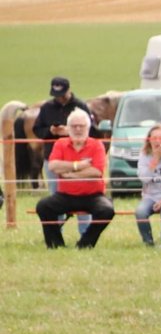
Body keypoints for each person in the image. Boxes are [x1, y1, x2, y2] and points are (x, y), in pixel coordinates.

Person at [35, 110, 115, 249]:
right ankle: (56, 245)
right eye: (74, 126)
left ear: (88, 128)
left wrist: (71, 174)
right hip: (66, 195)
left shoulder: (96, 145)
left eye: (81, 126)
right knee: (43, 206)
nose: (78, 129)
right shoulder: (60, 143)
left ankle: (85, 244)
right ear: (68, 128)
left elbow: (96, 171)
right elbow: (53, 166)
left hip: (93, 196)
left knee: (107, 210)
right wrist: (78, 165)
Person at [33, 76, 96, 236]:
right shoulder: (47, 107)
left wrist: (71, 132)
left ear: (68, 90)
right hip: (53, 158)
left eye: (61, 94)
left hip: (78, 156)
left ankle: (85, 234)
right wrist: (51, 132)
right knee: (56, 196)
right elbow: (37, 129)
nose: (58, 98)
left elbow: (93, 130)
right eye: (55, 94)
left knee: (83, 194)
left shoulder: (80, 106)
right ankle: (56, 233)